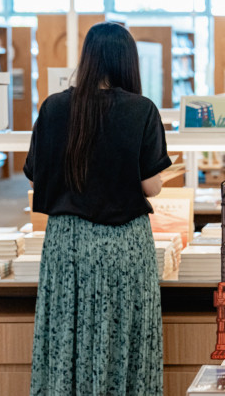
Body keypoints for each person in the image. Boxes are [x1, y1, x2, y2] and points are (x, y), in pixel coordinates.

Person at [24, 22, 171, 395]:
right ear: (127, 61)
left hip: (67, 243)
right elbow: (150, 185)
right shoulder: (141, 109)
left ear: (87, 57)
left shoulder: (54, 108)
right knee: (124, 337)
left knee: (66, 334)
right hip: (124, 243)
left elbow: (36, 179)